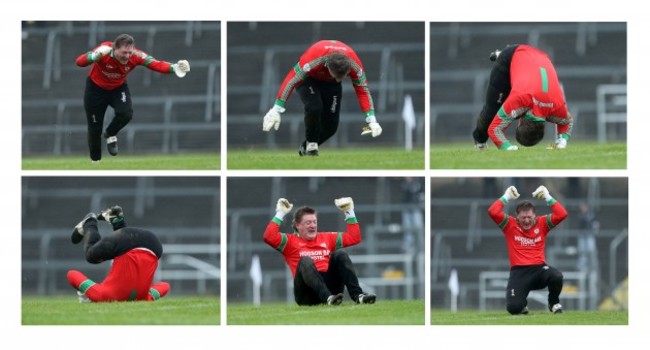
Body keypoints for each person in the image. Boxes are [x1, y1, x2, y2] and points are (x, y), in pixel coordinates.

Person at [75, 34, 191, 162]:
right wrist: (93, 56)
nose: (127, 56)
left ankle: (110, 134)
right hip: (95, 89)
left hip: (117, 88)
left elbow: (156, 64)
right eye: (124, 52)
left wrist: (174, 67)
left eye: (130, 52)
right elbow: (79, 62)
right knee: (94, 128)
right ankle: (95, 162)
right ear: (115, 48)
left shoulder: (136, 55)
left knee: (126, 114)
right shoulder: (104, 50)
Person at [261, 40, 382, 156]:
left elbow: (363, 90)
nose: (339, 80)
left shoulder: (355, 65)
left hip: (331, 85)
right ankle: (312, 146)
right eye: (336, 76)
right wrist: (276, 109)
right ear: (327, 66)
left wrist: (371, 119)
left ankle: (305, 148)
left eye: (342, 77)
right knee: (314, 107)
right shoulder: (313, 59)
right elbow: (292, 80)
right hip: (309, 80)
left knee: (331, 126)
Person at [263, 197, 376, 305]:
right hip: (306, 295)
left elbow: (354, 238)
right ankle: (328, 298)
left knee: (340, 254)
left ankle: (358, 296)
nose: (313, 225)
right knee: (305, 261)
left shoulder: (326, 238)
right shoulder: (289, 242)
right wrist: (280, 213)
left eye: (314, 222)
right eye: (308, 223)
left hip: (331, 289)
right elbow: (269, 237)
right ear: (297, 225)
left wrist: (349, 211)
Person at [472, 44, 574, 151]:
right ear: (521, 121)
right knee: (493, 112)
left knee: (510, 112)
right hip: (512, 57)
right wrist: (507, 148)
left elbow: (568, 121)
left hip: (540, 56)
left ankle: (504, 54)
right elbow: (493, 129)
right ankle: (480, 143)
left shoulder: (557, 108)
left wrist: (562, 142)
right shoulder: (521, 99)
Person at [487, 185, 568, 314]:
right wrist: (506, 196)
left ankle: (553, 303)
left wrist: (547, 196)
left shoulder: (542, 223)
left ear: (535, 215)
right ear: (517, 216)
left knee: (557, 276)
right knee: (514, 309)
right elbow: (493, 211)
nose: (526, 220)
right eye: (523, 217)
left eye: (529, 217)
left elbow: (562, 214)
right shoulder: (510, 224)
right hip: (519, 273)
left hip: (539, 270)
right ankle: (522, 303)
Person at [67, 205, 170, 302]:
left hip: (153, 245)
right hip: (134, 241)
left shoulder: (145, 297)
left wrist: (145, 291)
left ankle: (96, 222)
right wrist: (85, 291)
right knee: (91, 255)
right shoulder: (104, 296)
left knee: (108, 253)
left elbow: (165, 286)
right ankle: (90, 222)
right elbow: (72, 274)